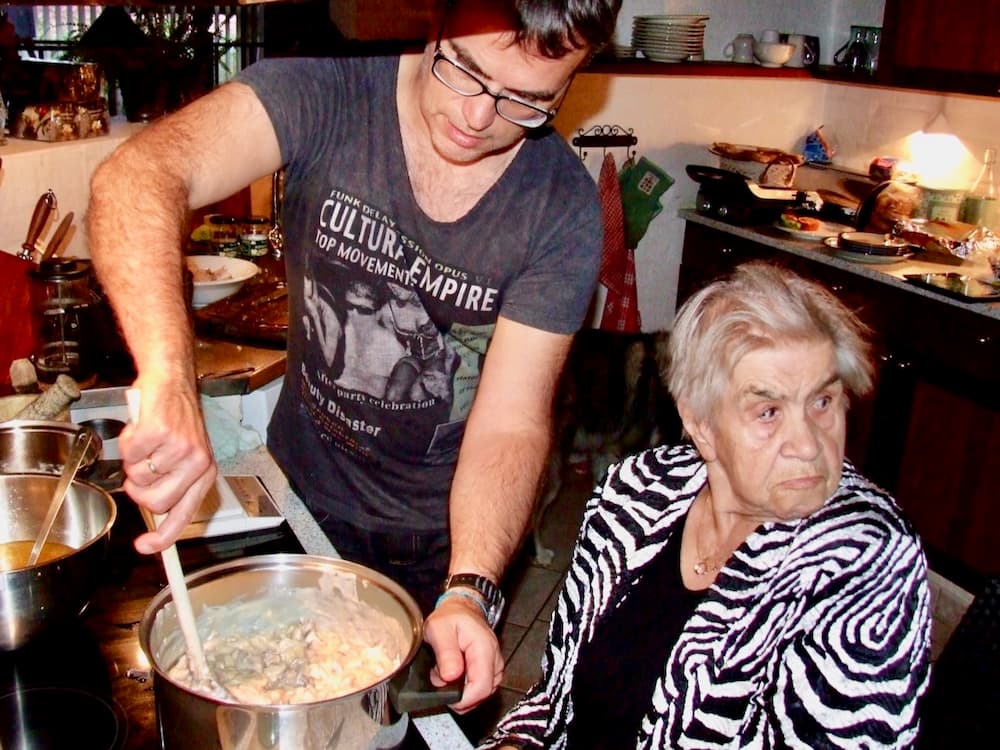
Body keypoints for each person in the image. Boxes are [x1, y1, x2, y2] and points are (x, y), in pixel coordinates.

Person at [86, 0, 621, 713]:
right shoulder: (326, 91)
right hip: (302, 503)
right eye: (465, 71)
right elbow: (137, 176)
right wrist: (170, 380)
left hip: (448, 541)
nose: (477, 118)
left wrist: (470, 585)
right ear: (434, 19)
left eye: (527, 101)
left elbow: (512, 422)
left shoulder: (560, 207)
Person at [481, 261, 931, 749]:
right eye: (769, 411)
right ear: (700, 425)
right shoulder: (636, 491)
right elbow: (556, 697)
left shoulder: (866, 558)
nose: (807, 444)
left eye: (823, 401)